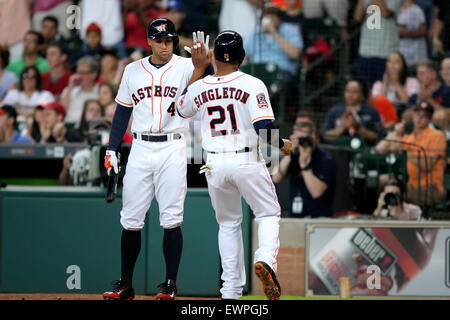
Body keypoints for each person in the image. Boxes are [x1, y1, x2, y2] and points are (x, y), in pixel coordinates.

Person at [176, 30, 294, 300]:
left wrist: (198, 69)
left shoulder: (199, 86)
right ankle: (266, 260)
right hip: (245, 159)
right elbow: (265, 131)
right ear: (242, 56)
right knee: (267, 213)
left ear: (214, 55)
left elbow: (181, 109)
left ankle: (230, 291)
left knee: (228, 224)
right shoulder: (252, 83)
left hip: (214, 164)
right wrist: (284, 145)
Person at [102, 18, 211, 301]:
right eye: (160, 41)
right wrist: (111, 148)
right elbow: (122, 113)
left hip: (173, 146)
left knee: (171, 218)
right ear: (148, 41)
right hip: (139, 147)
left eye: (169, 40)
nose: (165, 45)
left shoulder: (187, 66)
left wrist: (203, 64)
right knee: (131, 219)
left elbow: (208, 86)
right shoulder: (132, 70)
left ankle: (170, 283)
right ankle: (125, 283)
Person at [375, 102, 447, 206]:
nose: (419, 118)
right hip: (411, 186)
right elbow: (379, 149)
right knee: (383, 182)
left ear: (430, 119)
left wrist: (405, 152)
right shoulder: (409, 138)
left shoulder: (437, 135)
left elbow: (427, 165)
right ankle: (388, 214)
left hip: (430, 188)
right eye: (417, 114)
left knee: (396, 194)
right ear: (412, 115)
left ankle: (396, 213)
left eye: (424, 116)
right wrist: (395, 133)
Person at [272, 121, 337, 218]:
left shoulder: (326, 159)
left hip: (319, 217)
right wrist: (289, 151)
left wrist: (304, 164)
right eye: (298, 139)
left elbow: (316, 192)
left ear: (314, 138)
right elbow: (276, 178)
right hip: (295, 216)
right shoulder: (294, 155)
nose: (302, 142)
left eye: (304, 138)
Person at [354, 0, 404, 87]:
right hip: (366, 51)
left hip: (386, 53)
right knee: (363, 88)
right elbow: (357, 17)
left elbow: (385, 13)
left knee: (383, 89)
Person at [322, 77, 382, 145]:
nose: (350, 95)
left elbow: (376, 137)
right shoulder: (334, 111)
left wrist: (358, 128)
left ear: (362, 95)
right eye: (347, 91)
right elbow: (325, 135)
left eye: (355, 92)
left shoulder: (371, 112)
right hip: (338, 148)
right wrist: (342, 128)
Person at [406, 60, 450, 131]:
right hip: (419, 132)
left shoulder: (447, 91)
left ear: (433, 75)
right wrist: (418, 103)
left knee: (439, 115)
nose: (418, 77)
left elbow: (447, 114)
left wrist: (429, 99)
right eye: (418, 74)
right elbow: (405, 116)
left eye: (422, 74)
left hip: (440, 132)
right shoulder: (416, 96)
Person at [61, 56, 100, 126]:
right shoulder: (68, 90)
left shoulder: (100, 91)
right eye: (78, 72)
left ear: (94, 74)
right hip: (69, 126)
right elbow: (61, 111)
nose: (79, 76)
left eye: (83, 73)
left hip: (90, 126)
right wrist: (70, 87)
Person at [397, 0, 428, 68]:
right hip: (401, 50)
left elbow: (423, 31)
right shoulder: (398, 9)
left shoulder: (417, 10)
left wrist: (404, 32)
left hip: (415, 53)